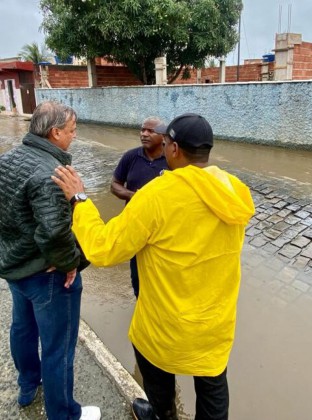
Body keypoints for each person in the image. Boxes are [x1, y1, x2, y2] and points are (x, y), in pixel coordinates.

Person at [52, 113, 255, 420]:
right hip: (215, 322)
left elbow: (104, 249)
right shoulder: (234, 190)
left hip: (166, 323)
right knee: (212, 384)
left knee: (157, 374)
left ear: (172, 149)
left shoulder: (156, 196)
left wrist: (80, 199)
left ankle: (161, 414)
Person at [0, 101, 101, 420]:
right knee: (58, 348)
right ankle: (65, 414)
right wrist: (72, 263)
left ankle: (28, 385)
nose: (74, 136)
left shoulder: (8, 159)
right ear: (55, 133)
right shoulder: (53, 174)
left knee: (23, 329)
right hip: (47, 275)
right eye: (72, 131)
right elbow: (54, 232)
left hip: (16, 267)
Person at [111, 117, 168, 298]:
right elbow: (115, 185)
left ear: (163, 137)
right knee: (137, 273)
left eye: (150, 131)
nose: (144, 134)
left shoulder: (172, 160)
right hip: (135, 226)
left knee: (162, 272)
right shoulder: (130, 157)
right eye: (142, 130)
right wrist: (134, 196)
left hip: (164, 229)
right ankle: (140, 303)